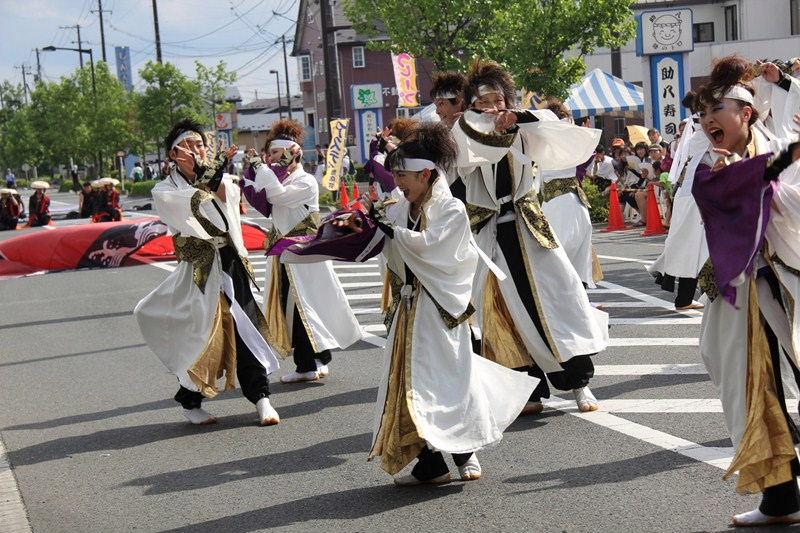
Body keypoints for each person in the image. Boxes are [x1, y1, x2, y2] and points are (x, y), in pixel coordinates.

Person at [278, 123, 538, 485]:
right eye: (396, 174)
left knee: (450, 381)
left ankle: (465, 453)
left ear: (425, 174)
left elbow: (436, 250)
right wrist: (337, 235)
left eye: (402, 175)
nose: (397, 182)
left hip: (440, 311)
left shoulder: (451, 209)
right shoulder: (400, 208)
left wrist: (390, 230)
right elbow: (380, 242)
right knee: (412, 385)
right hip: (409, 309)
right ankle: (432, 465)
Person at [452, 60, 609, 414]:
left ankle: (579, 383)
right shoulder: (463, 132)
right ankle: (530, 390)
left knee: (559, 299)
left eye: (498, 100)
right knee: (505, 312)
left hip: (530, 226)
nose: (492, 108)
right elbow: (476, 145)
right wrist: (493, 122)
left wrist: (519, 117)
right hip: (491, 232)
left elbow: (556, 128)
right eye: (483, 102)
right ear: (472, 105)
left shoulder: (523, 126)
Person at [690, 55, 800, 527]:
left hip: (787, 279)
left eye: (717, 109)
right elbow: (727, 188)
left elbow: (777, 179)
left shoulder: (777, 145)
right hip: (744, 290)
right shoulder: (709, 163)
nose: (707, 120)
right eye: (702, 113)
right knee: (753, 388)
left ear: (747, 113)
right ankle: (781, 498)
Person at [134, 118, 281, 426]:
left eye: (200, 145)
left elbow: (227, 205)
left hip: (230, 262)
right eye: (188, 146)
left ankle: (261, 398)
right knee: (202, 337)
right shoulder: (165, 190)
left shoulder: (220, 179)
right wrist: (206, 178)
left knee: (246, 328)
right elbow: (197, 212)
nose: (196, 151)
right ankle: (191, 402)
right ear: (173, 154)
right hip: (199, 271)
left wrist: (211, 176)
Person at [240, 119, 362, 384]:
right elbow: (261, 199)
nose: (271, 158)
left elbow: (276, 196)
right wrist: (253, 173)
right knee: (301, 306)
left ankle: (308, 364)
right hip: (288, 255)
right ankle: (318, 359)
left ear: (291, 152)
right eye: (269, 153)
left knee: (303, 306)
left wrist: (262, 170)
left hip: (304, 254)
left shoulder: (305, 181)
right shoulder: (282, 177)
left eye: (276, 153)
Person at [539, 99, 600, 288]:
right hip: (572, 201)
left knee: (557, 255)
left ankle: (568, 297)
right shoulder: (571, 140)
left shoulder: (547, 141)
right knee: (572, 255)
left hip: (560, 203)